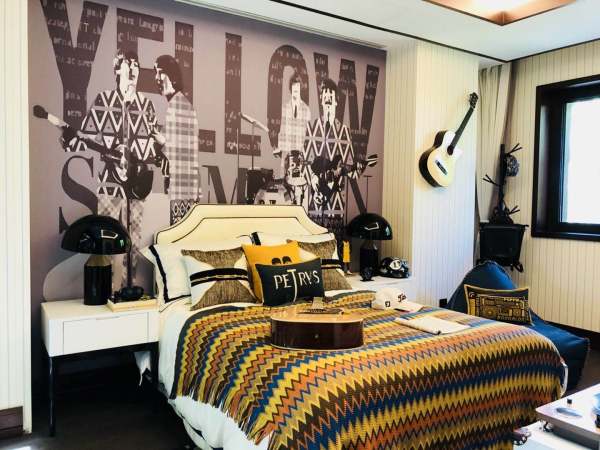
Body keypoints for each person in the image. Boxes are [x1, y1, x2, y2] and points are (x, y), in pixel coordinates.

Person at [61, 49, 168, 288]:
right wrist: (69, 141)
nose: (134, 68)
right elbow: (86, 137)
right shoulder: (104, 101)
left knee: (135, 241)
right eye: (129, 64)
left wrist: (162, 151)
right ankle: (109, 291)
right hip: (110, 183)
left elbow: (154, 143)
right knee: (107, 241)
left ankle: (130, 289)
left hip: (138, 185)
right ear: (117, 69)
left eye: (136, 64)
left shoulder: (146, 105)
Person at [154, 55, 200, 224]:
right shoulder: (175, 104)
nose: (157, 78)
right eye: (155, 72)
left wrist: (162, 142)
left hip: (183, 187)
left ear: (172, 76)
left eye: (160, 72)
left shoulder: (180, 106)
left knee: (178, 232)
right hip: (178, 185)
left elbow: (184, 154)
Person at [303, 78, 356, 216]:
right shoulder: (311, 128)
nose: (327, 101)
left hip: (336, 198)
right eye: (325, 97)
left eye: (331, 98)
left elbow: (350, 166)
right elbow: (305, 162)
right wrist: (313, 177)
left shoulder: (344, 132)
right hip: (315, 198)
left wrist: (346, 170)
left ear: (336, 101)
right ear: (321, 100)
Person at [276, 71, 311, 159]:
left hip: (301, 155)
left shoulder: (306, 110)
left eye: (298, 86)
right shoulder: (285, 108)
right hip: (287, 154)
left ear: (301, 88)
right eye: (294, 85)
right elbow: (282, 132)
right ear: (290, 88)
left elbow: (308, 136)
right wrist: (281, 152)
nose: (296, 88)